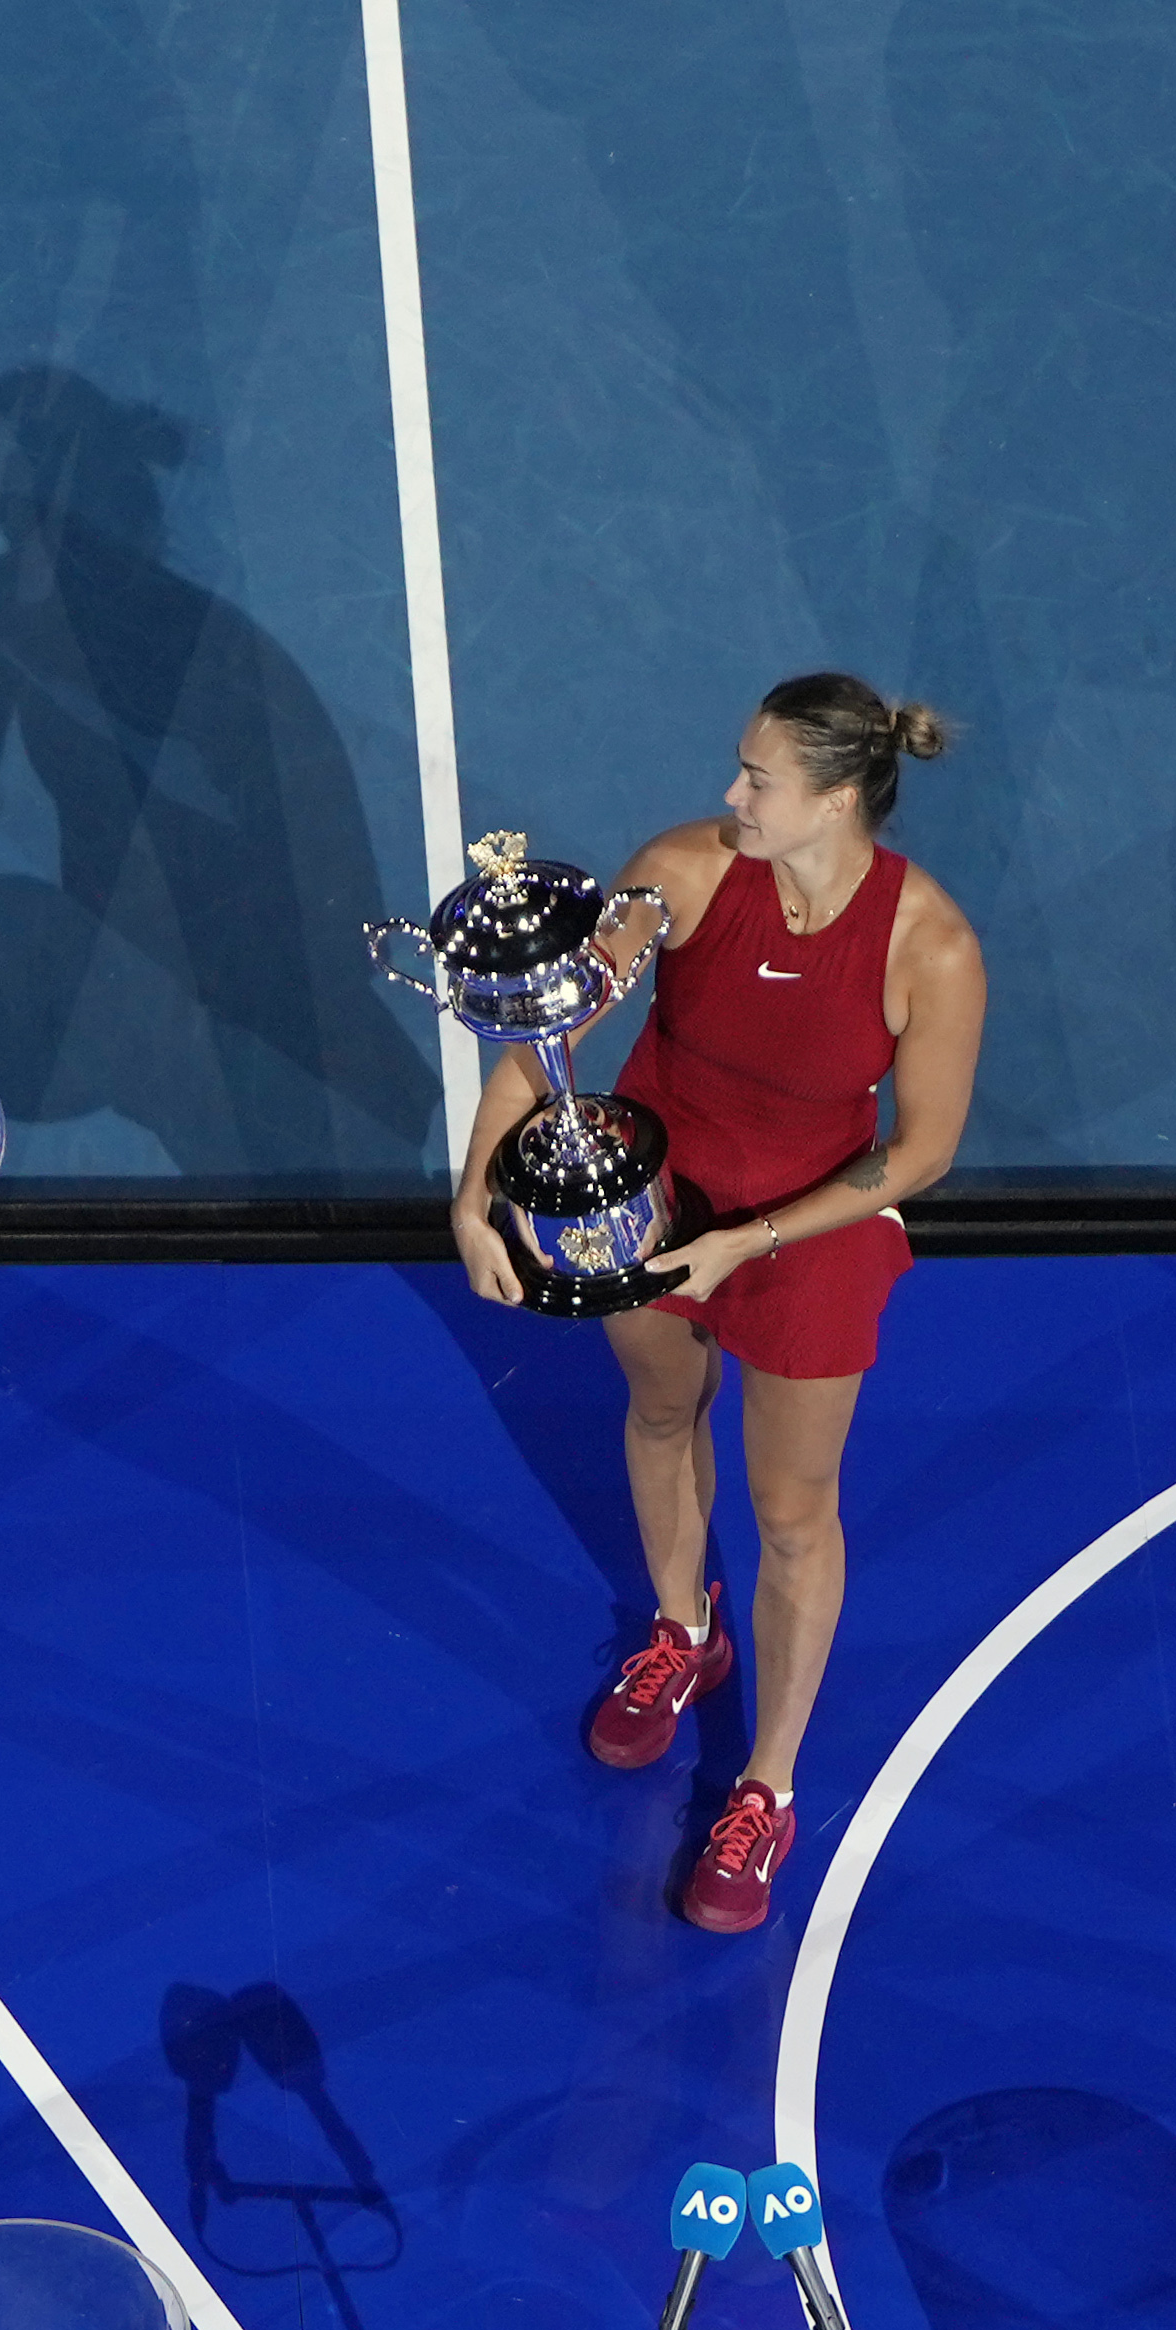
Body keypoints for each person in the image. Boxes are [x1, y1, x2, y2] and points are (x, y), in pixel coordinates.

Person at [474, 673, 993, 1936]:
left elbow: (917, 1154)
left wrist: (748, 1241)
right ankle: (679, 1625)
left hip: (805, 1233)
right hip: (654, 1199)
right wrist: (474, 1192)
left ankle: (764, 1789)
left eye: (756, 779)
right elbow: (557, 1019)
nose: (730, 794)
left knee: (790, 1512)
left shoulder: (930, 944)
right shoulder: (687, 870)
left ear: (834, 798)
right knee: (660, 1411)